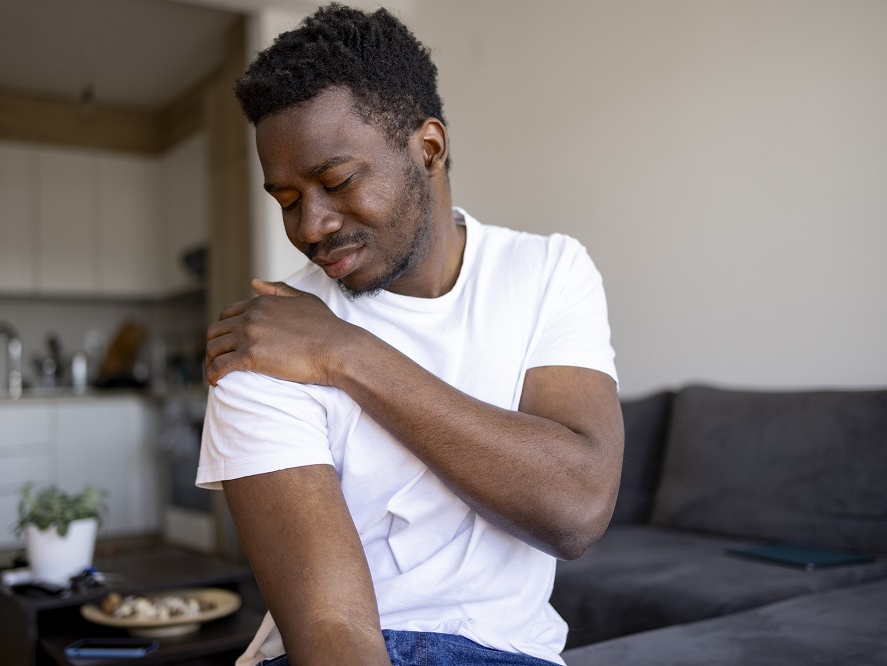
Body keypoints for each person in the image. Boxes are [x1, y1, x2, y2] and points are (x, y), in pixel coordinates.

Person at [196, 4, 624, 665]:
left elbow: (576, 508)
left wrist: (346, 353)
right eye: (285, 200)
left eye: (336, 181)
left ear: (428, 148)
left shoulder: (545, 272)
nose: (310, 226)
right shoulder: (263, 341)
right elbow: (331, 626)